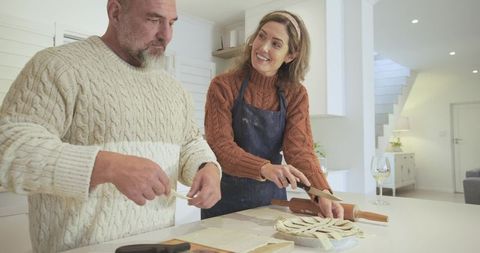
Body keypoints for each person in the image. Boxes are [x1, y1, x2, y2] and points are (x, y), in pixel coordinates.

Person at [0, 0, 221, 252]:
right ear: (115, 13)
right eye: (153, 20)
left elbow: (191, 142)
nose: (166, 35)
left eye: (171, 23)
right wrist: (106, 166)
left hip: (160, 247)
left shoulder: (174, 89)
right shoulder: (56, 66)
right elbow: (9, 147)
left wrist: (207, 167)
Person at [202, 10, 344, 219]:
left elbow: (299, 151)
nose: (263, 47)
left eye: (276, 44)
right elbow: (220, 146)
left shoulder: (295, 94)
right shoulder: (223, 86)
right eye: (261, 36)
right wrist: (264, 168)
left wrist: (321, 192)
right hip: (223, 202)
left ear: (290, 55)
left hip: (271, 205)